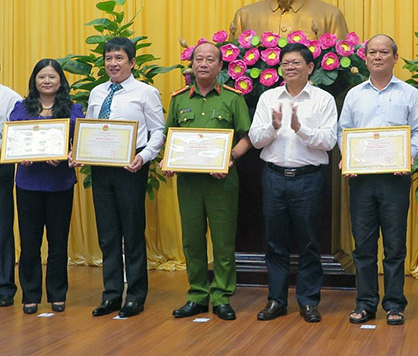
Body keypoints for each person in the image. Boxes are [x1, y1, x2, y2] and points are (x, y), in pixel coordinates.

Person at [337, 34, 418, 326]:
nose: (378, 57)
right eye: (373, 52)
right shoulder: (355, 94)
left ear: (395, 58)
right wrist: (347, 157)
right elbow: (343, 132)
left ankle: (394, 304)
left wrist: (410, 155)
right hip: (361, 179)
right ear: (365, 58)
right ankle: (365, 303)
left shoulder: (409, 93)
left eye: (384, 52)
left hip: (395, 178)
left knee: (394, 245)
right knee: (363, 245)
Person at [249, 43, 337, 323]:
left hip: (308, 179)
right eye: (285, 63)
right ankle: (276, 300)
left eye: (296, 63)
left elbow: (329, 141)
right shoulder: (268, 98)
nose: (289, 67)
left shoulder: (323, 100)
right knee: (275, 243)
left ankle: (309, 301)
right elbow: (254, 139)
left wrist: (300, 129)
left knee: (310, 242)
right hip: (274, 177)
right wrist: (274, 128)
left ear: (310, 67)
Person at [164, 41, 252, 321]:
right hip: (189, 181)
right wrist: (168, 162)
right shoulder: (178, 99)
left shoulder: (232, 98)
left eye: (210, 59)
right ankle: (198, 295)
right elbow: (170, 137)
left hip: (221, 180)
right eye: (198, 59)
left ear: (220, 66)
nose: (203, 63)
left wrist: (231, 159)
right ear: (191, 65)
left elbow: (246, 137)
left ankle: (222, 296)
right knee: (192, 240)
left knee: (223, 241)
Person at [79, 37, 165, 318]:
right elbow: (90, 128)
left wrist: (146, 156)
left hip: (132, 167)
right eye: (108, 59)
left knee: (132, 232)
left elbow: (158, 131)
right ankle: (112, 294)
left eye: (119, 58)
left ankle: (136, 295)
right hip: (101, 168)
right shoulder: (96, 92)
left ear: (132, 62)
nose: (113, 63)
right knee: (107, 234)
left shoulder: (145, 92)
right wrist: (80, 150)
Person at [9, 59, 84, 315]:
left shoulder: (74, 110)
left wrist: (68, 153)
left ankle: (57, 293)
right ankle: (30, 294)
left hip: (60, 183)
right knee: (29, 243)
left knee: (58, 242)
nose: (47, 81)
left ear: (61, 81)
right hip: (28, 183)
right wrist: (21, 153)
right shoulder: (21, 109)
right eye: (42, 77)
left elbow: (80, 144)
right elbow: (14, 141)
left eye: (52, 77)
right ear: (34, 81)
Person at [0, 80, 21, 308]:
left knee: (2, 227)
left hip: (0, 165)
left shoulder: (10, 98)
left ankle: (4, 286)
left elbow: (15, 135)